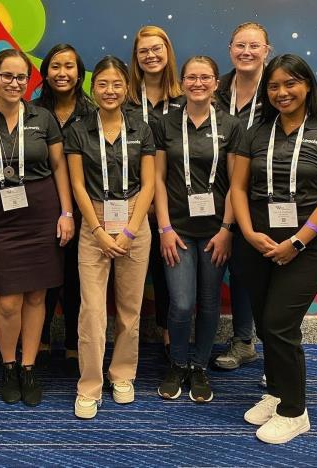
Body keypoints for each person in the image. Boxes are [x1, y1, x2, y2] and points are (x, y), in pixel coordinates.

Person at [232, 54, 317, 444]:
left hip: (305, 245)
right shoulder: (256, 133)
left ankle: (295, 411)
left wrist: (298, 241)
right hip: (258, 243)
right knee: (267, 323)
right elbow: (236, 188)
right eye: (274, 86)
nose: (282, 92)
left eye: (290, 84)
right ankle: (278, 392)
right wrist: (249, 234)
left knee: (282, 325)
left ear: (306, 86)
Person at [0, 48, 74, 407]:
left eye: (21, 77)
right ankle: (8, 365)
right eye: (6, 76)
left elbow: (59, 168)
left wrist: (67, 213)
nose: (14, 83)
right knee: (7, 300)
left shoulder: (43, 116)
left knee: (38, 296)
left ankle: (28, 366)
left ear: (29, 80)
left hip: (41, 214)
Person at [66, 56, 155, 419]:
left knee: (130, 308)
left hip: (135, 220)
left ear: (126, 88)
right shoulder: (77, 129)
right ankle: (89, 384)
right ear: (92, 87)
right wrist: (99, 231)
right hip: (95, 222)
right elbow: (76, 184)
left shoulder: (141, 128)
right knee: (92, 311)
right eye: (102, 84)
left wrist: (132, 228)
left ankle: (122, 374)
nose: (110, 90)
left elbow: (149, 184)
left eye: (117, 84)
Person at [154, 56, 242, 403]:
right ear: (182, 82)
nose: (198, 83)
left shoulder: (231, 126)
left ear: (216, 83)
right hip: (177, 229)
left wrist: (227, 229)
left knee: (208, 303)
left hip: (216, 230)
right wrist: (163, 227)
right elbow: (158, 180)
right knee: (181, 302)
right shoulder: (165, 124)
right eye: (191, 77)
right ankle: (177, 363)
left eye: (205, 77)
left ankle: (199, 366)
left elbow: (237, 183)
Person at [31, 43, 94, 376]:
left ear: (79, 73)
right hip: (42, 209)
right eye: (55, 66)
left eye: (69, 66)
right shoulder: (32, 111)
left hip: (87, 209)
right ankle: (39, 343)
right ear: (45, 73)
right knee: (44, 279)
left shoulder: (94, 112)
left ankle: (73, 344)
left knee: (76, 280)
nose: (62, 73)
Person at [213, 22, 271, 372]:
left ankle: (262, 349)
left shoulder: (278, 87)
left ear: (267, 49)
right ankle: (242, 339)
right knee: (230, 265)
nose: (246, 52)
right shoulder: (216, 87)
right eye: (239, 45)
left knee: (257, 269)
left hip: (263, 191)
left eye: (254, 45)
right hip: (217, 186)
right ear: (230, 49)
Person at [127, 25, 185, 357]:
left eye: (156, 49)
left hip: (172, 202)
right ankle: (125, 343)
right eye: (143, 51)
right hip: (131, 202)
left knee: (168, 275)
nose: (151, 56)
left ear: (168, 52)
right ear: (136, 58)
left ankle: (170, 339)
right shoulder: (125, 101)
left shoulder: (185, 98)